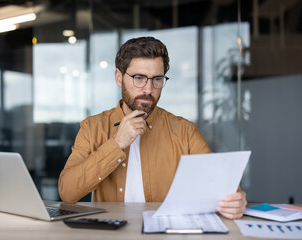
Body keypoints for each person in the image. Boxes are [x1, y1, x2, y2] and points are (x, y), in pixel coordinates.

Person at [58, 36, 247, 219]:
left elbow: (222, 187)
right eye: (139, 78)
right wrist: (117, 143)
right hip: (112, 234)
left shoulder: (184, 131)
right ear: (118, 77)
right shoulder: (93, 127)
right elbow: (67, 192)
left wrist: (234, 202)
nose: (148, 89)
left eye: (157, 79)